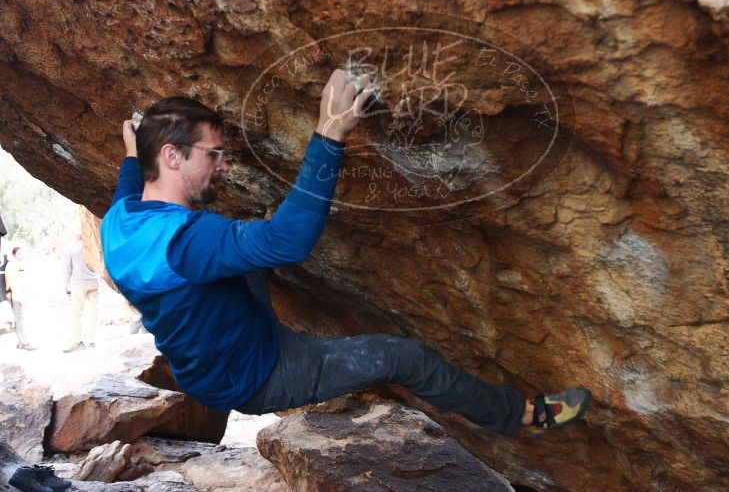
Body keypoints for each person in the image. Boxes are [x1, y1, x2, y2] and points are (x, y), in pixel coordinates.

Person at [100, 69, 590, 438]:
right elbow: (287, 244)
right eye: (213, 154)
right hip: (256, 375)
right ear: (171, 155)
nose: (224, 166)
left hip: (219, 354)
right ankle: (524, 413)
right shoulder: (191, 241)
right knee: (401, 356)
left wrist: (132, 151)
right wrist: (329, 132)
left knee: (243, 259)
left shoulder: (122, 220)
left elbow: (128, 181)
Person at [62, 233, 101, 352]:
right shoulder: (92, 245)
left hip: (78, 285)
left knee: (76, 315)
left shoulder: (70, 247)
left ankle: (77, 342)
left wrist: (65, 287)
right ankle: (92, 341)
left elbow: (66, 269)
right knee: (94, 313)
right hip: (94, 283)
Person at [5, 246, 36, 351]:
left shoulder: (16, 264)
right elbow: (13, 283)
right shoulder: (12, 265)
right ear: (14, 254)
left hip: (17, 294)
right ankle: (24, 343)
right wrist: (20, 298)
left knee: (19, 318)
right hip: (15, 296)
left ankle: (21, 342)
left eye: (22, 253)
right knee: (19, 319)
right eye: (19, 254)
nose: (21, 256)